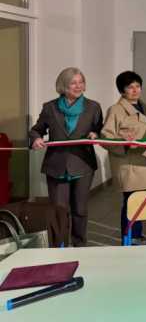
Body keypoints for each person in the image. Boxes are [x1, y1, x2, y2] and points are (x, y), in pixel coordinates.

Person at [29, 67, 103, 247]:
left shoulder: (93, 107)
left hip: (83, 164)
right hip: (57, 166)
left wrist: (95, 134)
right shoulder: (50, 107)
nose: (78, 86)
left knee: (80, 209)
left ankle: (80, 246)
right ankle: (59, 247)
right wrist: (36, 138)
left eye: (81, 82)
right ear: (63, 85)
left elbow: (99, 129)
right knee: (59, 211)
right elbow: (36, 130)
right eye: (73, 83)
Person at [101, 71, 146, 245]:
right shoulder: (115, 110)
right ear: (122, 90)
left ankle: (137, 235)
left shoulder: (145, 108)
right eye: (130, 87)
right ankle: (129, 238)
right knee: (131, 202)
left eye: (137, 86)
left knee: (141, 201)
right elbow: (105, 138)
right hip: (129, 164)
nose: (135, 90)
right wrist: (124, 143)